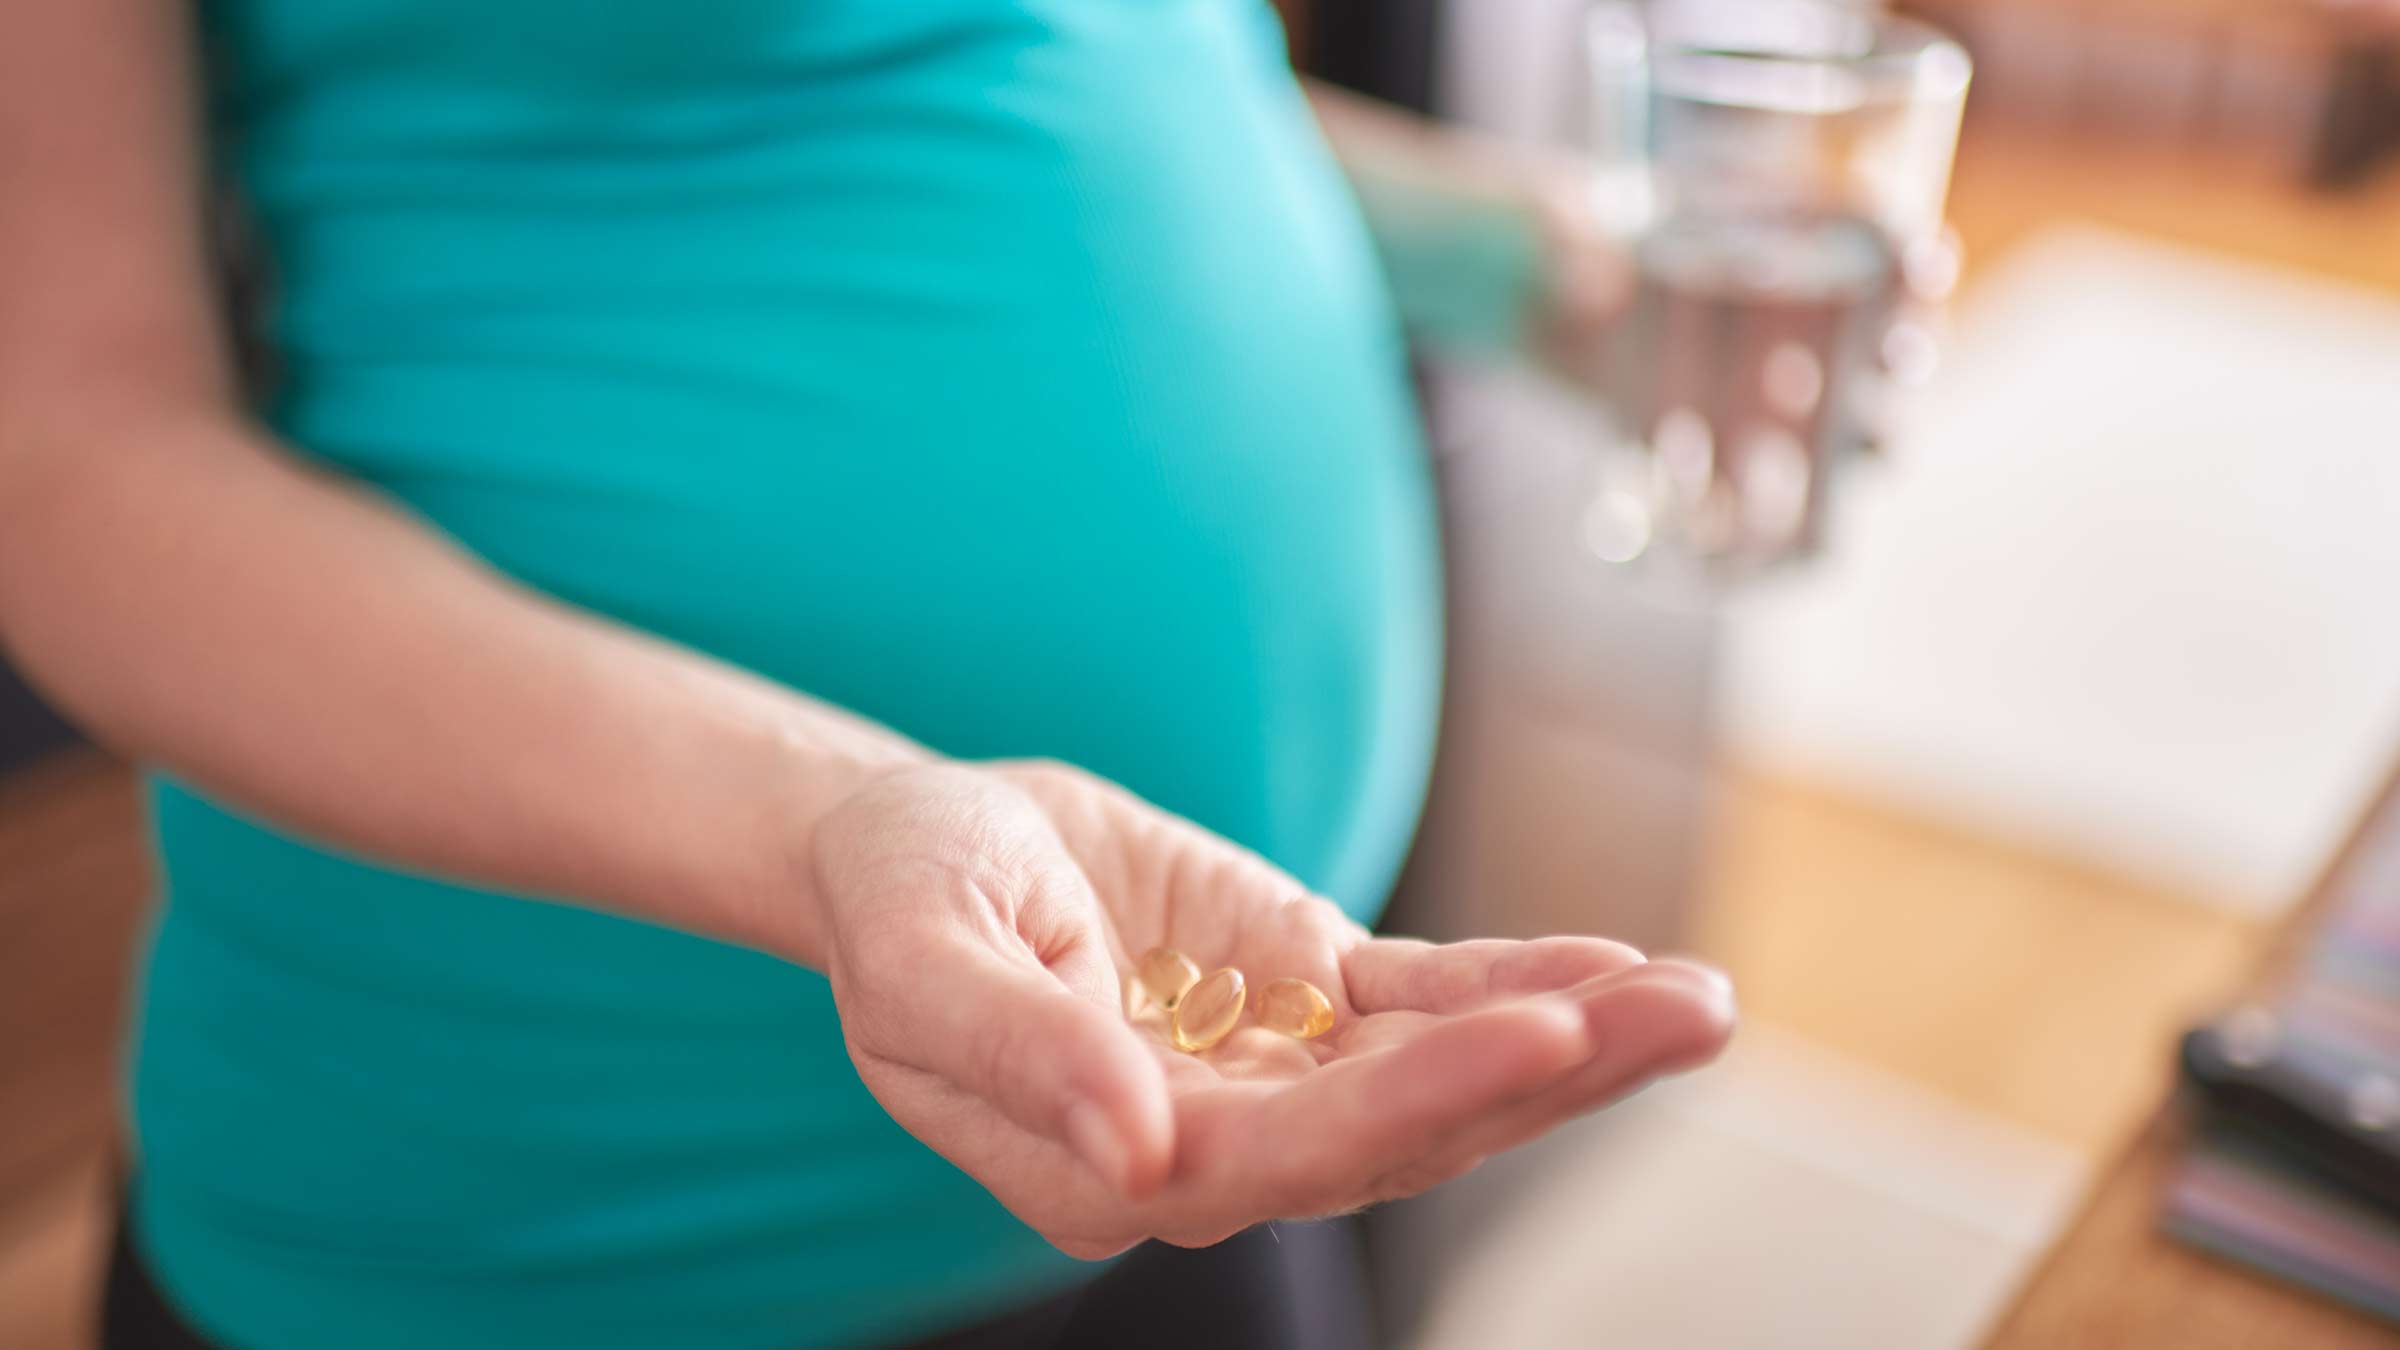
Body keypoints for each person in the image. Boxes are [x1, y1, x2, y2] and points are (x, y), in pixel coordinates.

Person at [0, 2, 1734, 1346]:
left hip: (1212, 1165)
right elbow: (63, 454)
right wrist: (823, 816)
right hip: (550, 1204)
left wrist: (1515, 255)